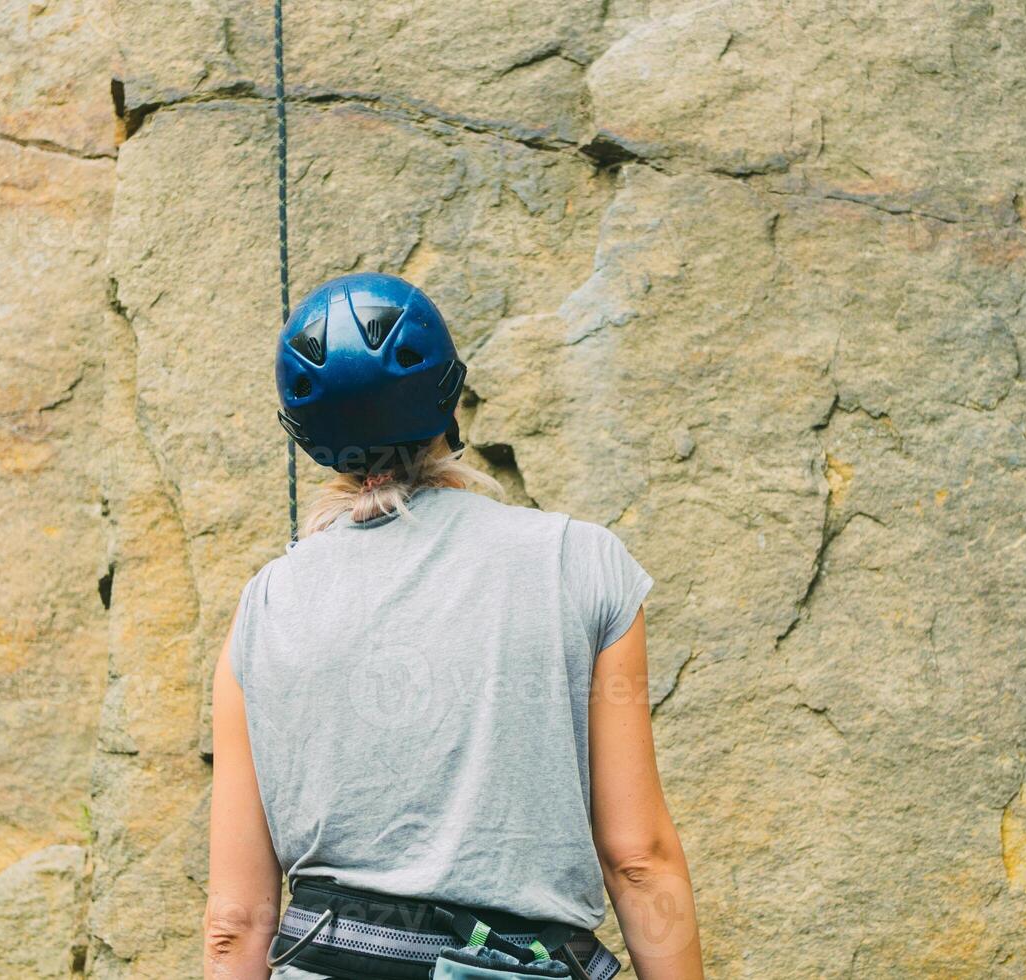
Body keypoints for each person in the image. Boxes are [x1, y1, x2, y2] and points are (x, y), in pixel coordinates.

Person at [203, 273, 704, 980]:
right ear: (447, 396)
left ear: (305, 435)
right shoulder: (580, 564)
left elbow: (235, 923)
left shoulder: (265, 608)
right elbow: (639, 861)